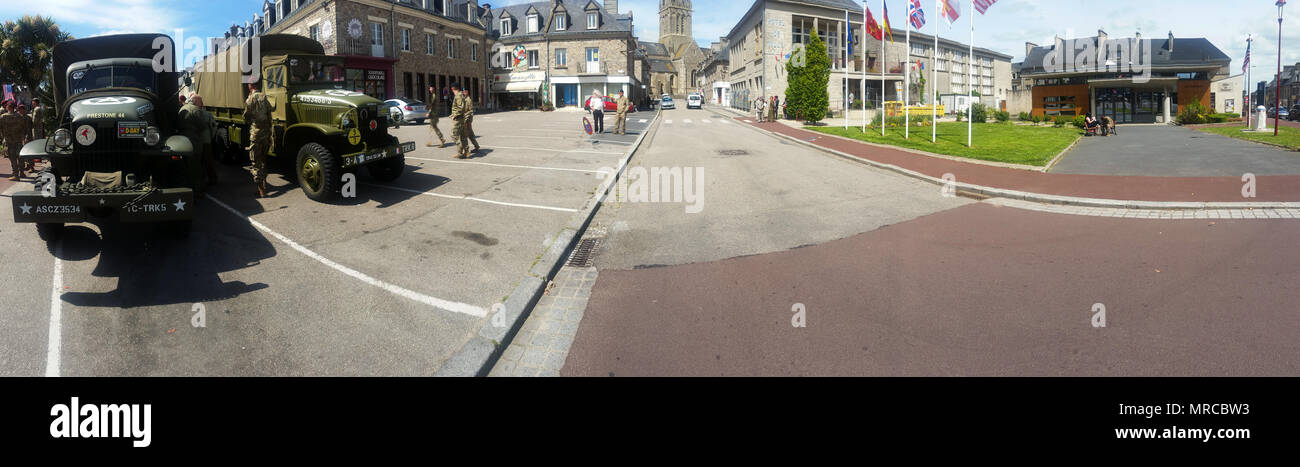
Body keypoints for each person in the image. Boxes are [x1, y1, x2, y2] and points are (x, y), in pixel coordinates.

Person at [179, 94, 218, 196]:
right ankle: (198, 190)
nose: (202, 104)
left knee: (188, 165)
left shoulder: (182, 109)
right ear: (196, 101)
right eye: (200, 102)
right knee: (197, 166)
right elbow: (202, 126)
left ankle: (189, 187)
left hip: (183, 139)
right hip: (195, 140)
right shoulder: (196, 110)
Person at [242, 82, 274, 197]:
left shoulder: (250, 99)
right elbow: (270, 111)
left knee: (255, 162)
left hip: (256, 133)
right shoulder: (264, 97)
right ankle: (264, 186)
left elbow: (246, 116)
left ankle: (261, 191)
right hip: (266, 133)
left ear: (250, 87)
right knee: (263, 160)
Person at [0, 101, 33, 181]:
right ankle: (22, 173)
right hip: (19, 140)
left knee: (12, 158)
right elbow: (26, 128)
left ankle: (15, 174)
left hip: (8, 140)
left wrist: (2, 137)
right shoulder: (21, 117)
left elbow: (0, 128)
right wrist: (26, 137)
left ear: (8, 107)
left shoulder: (3, 117)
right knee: (20, 157)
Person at [449, 82, 470, 159]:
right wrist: (452, 114)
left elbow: (460, 107)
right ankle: (465, 152)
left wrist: (454, 115)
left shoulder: (458, 96)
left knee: (453, 134)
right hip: (461, 118)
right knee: (463, 136)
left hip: (458, 119)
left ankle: (460, 146)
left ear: (452, 88)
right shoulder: (461, 95)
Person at [462, 86, 481, 153]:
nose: (464, 92)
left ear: (467, 92)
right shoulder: (464, 99)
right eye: (463, 91)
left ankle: (465, 150)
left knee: (465, 135)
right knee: (470, 134)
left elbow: (470, 111)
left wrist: (466, 117)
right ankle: (476, 146)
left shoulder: (468, 100)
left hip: (467, 120)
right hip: (465, 119)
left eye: (465, 91)